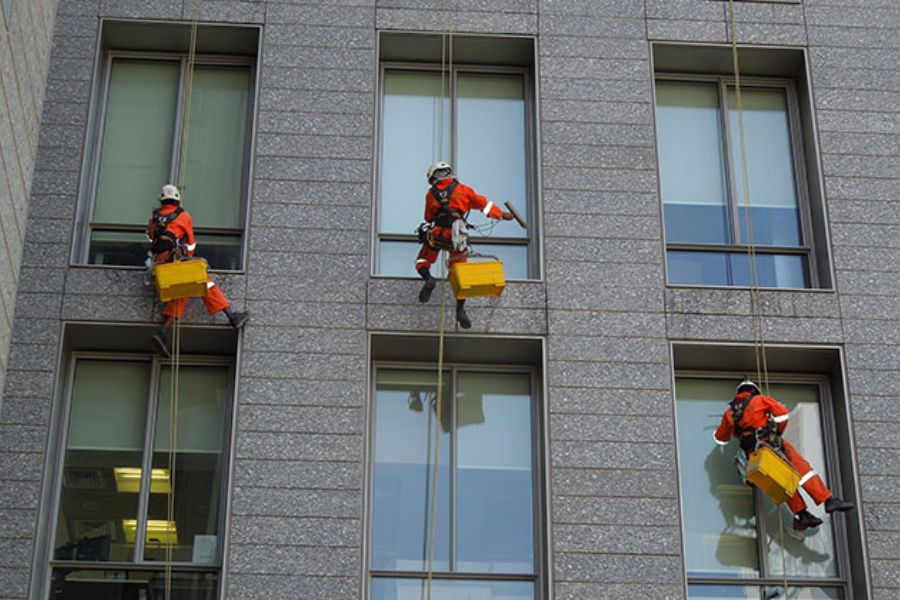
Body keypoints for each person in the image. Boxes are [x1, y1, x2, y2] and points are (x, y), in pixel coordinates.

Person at [714, 380, 854, 531]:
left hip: (753, 455)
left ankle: (801, 514)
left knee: (783, 480)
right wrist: (777, 431)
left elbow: (722, 438)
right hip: (770, 444)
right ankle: (827, 500)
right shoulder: (760, 400)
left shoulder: (730, 413)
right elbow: (781, 414)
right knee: (803, 470)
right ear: (754, 391)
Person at [148, 184, 248, 356]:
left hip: (160, 265)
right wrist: (188, 256)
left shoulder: (154, 218)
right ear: (178, 199)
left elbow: (151, 237)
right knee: (205, 283)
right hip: (176, 261)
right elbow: (191, 242)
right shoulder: (183, 216)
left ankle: (163, 332)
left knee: (181, 293)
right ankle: (232, 316)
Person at [415, 162, 513, 329]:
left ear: (433, 177)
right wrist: (502, 215)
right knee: (459, 272)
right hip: (457, 235)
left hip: (438, 234)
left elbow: (428, 217)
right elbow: (484, 205)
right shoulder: (464, 190)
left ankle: (429, 279)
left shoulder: (431, 194)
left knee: (422, 260)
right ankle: (460, 310)